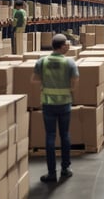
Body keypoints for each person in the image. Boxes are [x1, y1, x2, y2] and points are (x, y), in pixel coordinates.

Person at [32, 34, 79, 182]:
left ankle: (51, 173)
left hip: (48, 104)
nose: (69, 45)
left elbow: (34, 80)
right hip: (64, 104)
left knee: (50, 137)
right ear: (61, 46)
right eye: (67, 43)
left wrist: (46, 84)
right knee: (65, 135)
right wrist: (69, 90)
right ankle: (65, 169)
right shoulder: (69, 63)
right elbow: (75, 81)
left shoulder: (42, 61)